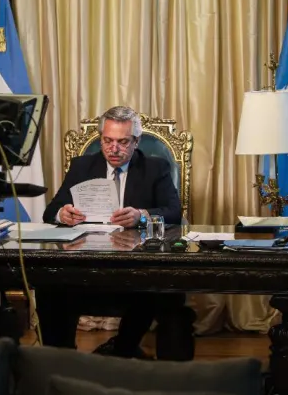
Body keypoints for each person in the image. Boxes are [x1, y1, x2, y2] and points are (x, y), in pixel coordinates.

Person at [38, 106, 195, 360]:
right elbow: (51, 211)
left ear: (136, 142)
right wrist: (62, 214)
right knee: (49, 288)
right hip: (87, 263)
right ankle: (59, 360)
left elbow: (174, 213)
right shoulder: (82, 166)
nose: (114, 149)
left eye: (123, 142)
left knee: (165, 294)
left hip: (137, 266)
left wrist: (141, 215)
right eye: (107, 141)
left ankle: (125, 349)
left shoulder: (155, 167)